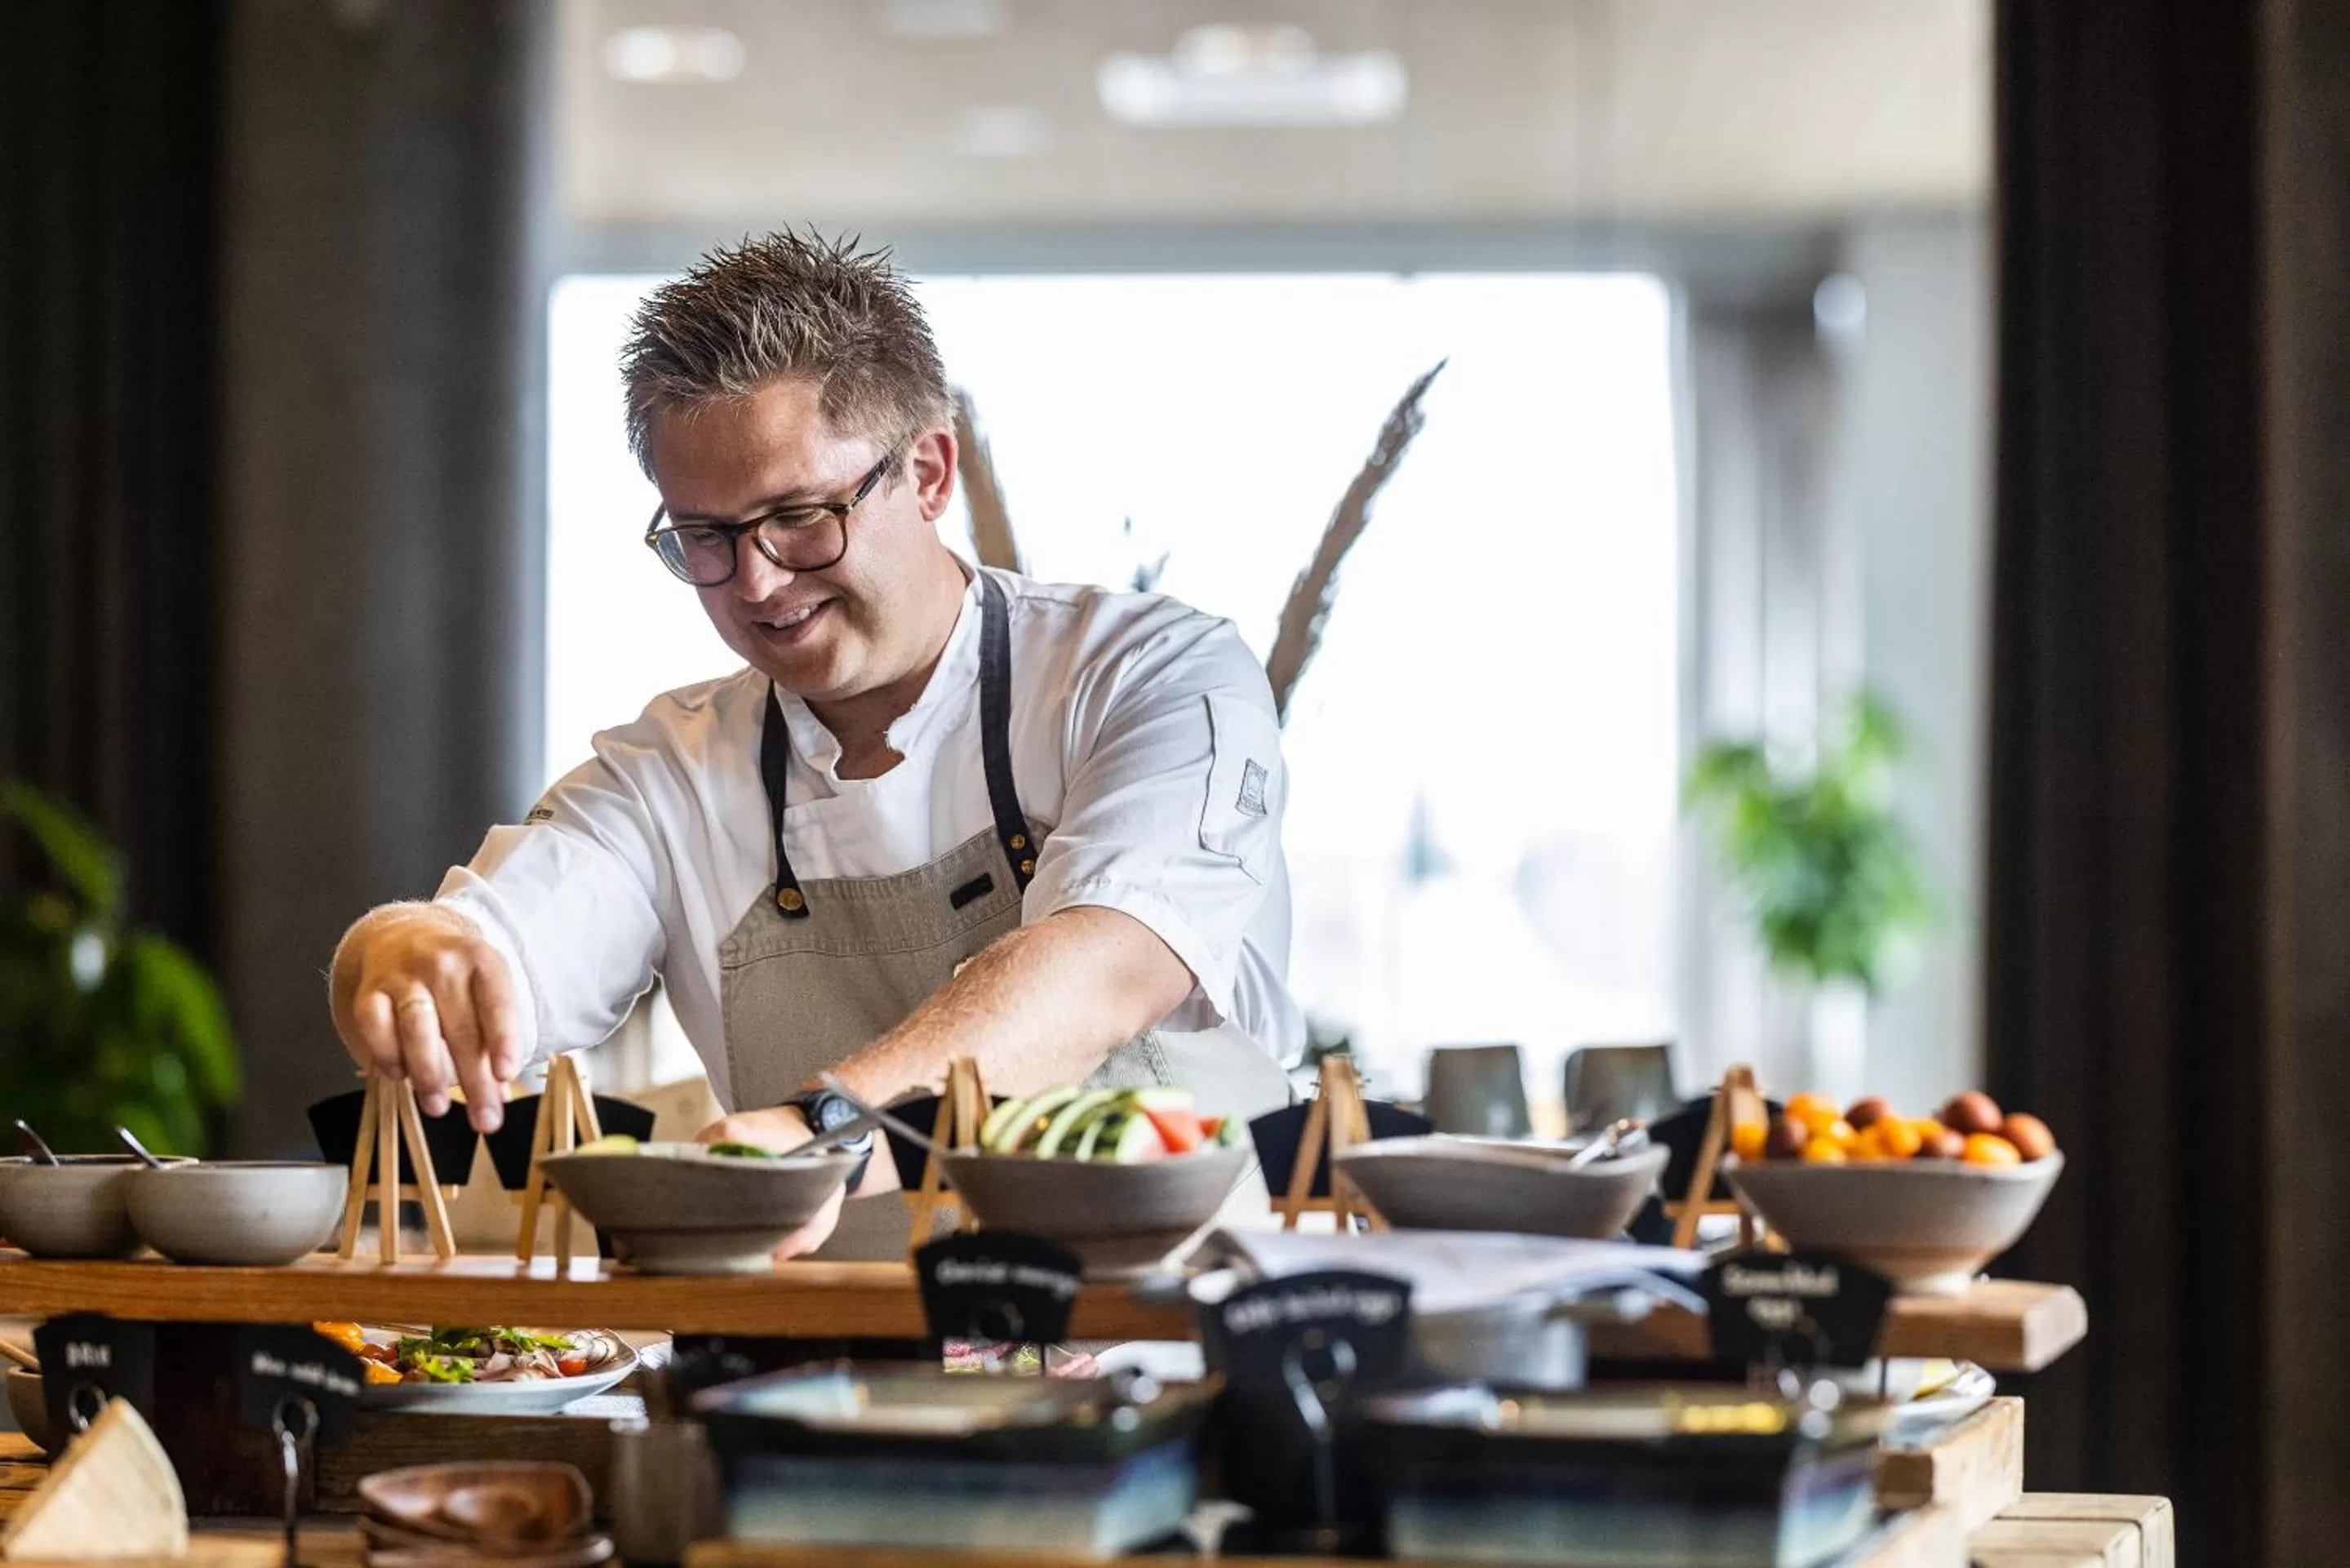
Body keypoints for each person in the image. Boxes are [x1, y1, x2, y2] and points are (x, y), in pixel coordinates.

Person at [327, 231, 1303, 1259]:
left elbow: (1100, 968)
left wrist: (820, 1131)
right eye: (705, 536)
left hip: (1170, 1359)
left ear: (927, 472)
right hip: (835, 1382)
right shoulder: (675, 773)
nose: (755, 582)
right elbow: (500, 947)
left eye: (798, 517)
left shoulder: (1150, 678)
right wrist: (394, 955)